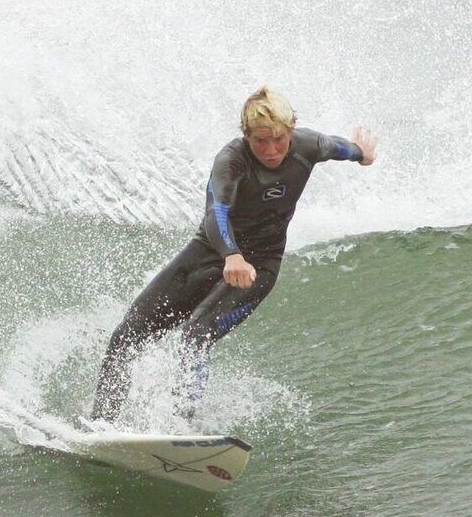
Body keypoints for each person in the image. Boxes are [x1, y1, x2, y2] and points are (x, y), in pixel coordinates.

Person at [89, 86, 377, 424]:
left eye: (279, 139)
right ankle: (101, 426)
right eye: (260, 141)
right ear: (246, 135)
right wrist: (231, 255)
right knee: (126, 335)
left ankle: (179, 431)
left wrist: (361, 153)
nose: (271, 150)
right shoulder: (231, 160)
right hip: (209, 253)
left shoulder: (308, 146)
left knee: (198, 333)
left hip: (260, 265)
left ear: (291, 130)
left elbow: (339, 147)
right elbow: (216, 213)